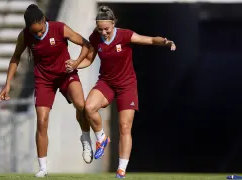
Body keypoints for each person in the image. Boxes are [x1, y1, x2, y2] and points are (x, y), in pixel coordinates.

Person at [66, 6, 176, 178]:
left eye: (107, 29)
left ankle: (121, 170)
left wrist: (165, 41)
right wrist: (74, 65)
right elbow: (88, 59)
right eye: (100, 29)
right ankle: (101, 138)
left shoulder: (125, 35)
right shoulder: (95, 38)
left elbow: (149, 40)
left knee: (124, 126)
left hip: (127, 85)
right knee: (88, 108)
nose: (103, 32)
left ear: (113, 24)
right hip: (106, 82)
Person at [0, 4, 93, 177]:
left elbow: (85, 44)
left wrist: (77, 62)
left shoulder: (59, 28)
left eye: (41, 31)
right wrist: (8, 84)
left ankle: (85, 138)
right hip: (44, 81)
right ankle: (43, 167)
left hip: (65, 74)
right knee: (42, 121)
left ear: (44, 21)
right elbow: (16, 57)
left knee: (81, 105)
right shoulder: (25, 36)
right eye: (35, 33)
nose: (39, 35)